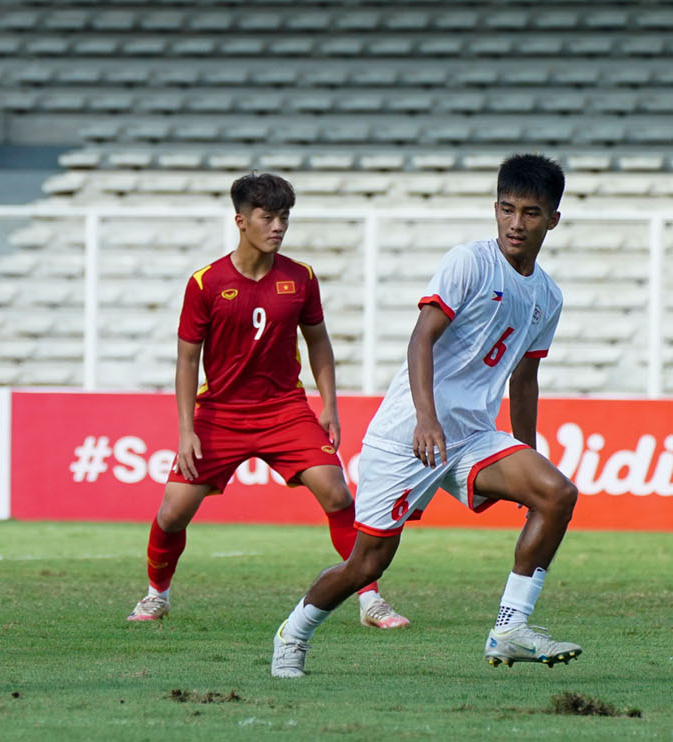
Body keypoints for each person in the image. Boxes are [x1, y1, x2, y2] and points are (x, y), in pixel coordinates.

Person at [270, 154, 579, 678]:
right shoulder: (469, 261)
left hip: (471, 435)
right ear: (495, 208)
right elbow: (422, 338)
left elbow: (525, 381)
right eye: (507, 210)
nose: (515, 224)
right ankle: (292, 635)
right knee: (366, 563)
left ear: (553, 218)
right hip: (407, 435)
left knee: (557, 493)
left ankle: (510, 628)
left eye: (530, 213)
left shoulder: (547, 296)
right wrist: (425, 417)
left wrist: (527, 452)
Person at [125, 173, 408, 631]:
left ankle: (370, 600)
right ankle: (157, 595)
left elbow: (319, 344)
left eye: (284, 217)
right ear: (241, 220)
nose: (278, 226)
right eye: (268, 217)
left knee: (337, 494)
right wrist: (186, 429)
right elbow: (186, 360)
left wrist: (328, 405)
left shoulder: (301, 278)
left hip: (284, 411)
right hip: (221, 413)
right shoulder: (205, 283)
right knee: (173, 512)